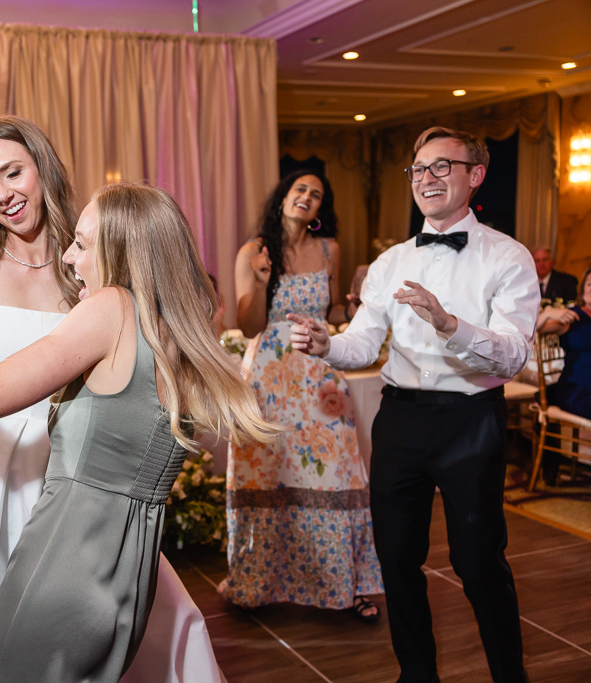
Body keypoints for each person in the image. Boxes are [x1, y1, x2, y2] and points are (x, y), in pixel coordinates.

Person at [0, 181, 280, 682]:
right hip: (126, 570)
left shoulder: (112, 306)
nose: (69, 258)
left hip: (62, 563)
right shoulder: (174, 325)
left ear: (122, 250)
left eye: (83, 244)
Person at [288, 126, 538, 683]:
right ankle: (417, 674)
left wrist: (450, 325)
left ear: (475, 175)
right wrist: (329, 345)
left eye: (440, 167)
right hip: (400, 419)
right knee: (397, 560)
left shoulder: (507, 257)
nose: (425, 179)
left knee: (479, 564)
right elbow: (362, 343)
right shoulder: (390, 261)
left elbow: (514, 356)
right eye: (418, 169)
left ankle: (509, 676)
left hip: (471, 420)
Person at [218, 172, 383, 621]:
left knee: (336, 472)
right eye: (301, 190)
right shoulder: (254, 252)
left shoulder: (328, 248)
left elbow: (329, 312)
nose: (308, 198)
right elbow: (249, 325)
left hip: (320, 374)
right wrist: (261, 281)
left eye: (317, 195)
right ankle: (258, 581)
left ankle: (343, 586)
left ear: (319, 208)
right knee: (267, 474)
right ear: (284, 197)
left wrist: (350, 308)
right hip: (269, 373)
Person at [538, 266, 591, 419]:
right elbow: (533, 329)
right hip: (577, 390)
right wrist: (548, 313)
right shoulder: (572, 316)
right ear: (583, 289)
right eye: (589, 283)